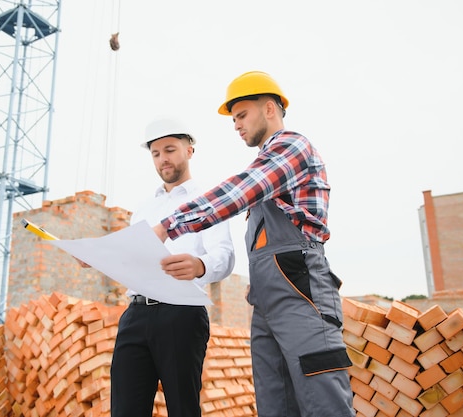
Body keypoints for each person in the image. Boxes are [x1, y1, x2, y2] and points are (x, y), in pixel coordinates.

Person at [152, 71, 355, 417]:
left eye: (242, 115)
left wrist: (169, 225)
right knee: (275, 403)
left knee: (324, 403)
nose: (236, 125)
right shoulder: (269, 165)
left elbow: (239, 190)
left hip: (301, 295)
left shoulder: (292, 147)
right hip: (266, 301)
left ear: (271, 109)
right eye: (233, 119)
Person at [110, 118, 235, 417]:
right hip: (135, 315)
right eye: (155, 153)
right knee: (125, 409)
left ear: (189, 151)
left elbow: (225, 254)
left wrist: (200, 265)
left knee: (182, 408)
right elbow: (131, 258)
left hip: (181, 313)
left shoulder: (208, 201)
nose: (163, 158)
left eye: (170, 150)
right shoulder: (143, 210)